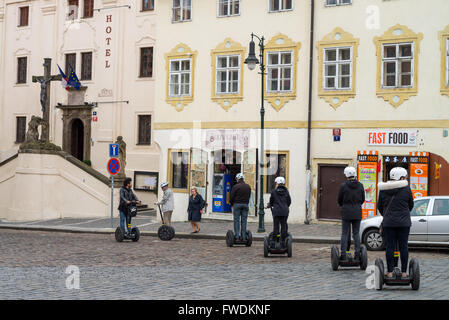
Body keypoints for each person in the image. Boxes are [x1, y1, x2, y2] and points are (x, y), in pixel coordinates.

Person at [378, 167, 414, 279]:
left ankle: (389, 271)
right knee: (403, 246)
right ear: (401, 177)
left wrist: (388, 216)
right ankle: (404, 272)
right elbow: (410, 205)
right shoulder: (407, 189)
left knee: (390, 246)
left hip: (389, 223)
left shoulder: (383, 189)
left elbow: (380, 206)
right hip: (404, 223)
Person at [337, 166, 365, 261]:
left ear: (346, 175)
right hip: (357, 211)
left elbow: (339, 200)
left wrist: (345, 205)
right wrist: (356, 205)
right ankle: (357, 254)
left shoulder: (343, 186)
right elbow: (362, 199)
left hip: (346, 211)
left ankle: (343, 254)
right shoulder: (360, 185)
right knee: (356, 233)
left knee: (345, 233)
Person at [266, 177, 291, 246]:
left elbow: (271, 201)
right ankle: (283, 241)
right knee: (284, 225)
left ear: (277, 183)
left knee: (276, 226)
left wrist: (269, 206)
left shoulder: (274, 192)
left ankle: (274, 242)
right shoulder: (286, 191)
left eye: (276, 183)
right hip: (285, 211)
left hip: (276, 211)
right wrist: (285, 207)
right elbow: (289, 201)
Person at [230, 173, 251, 241]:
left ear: (237, 179)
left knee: (236, 221)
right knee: (244, 221)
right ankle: (244, 237)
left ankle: (237, 236)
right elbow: (249, 196)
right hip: (245, 205)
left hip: (237, 204)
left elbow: (232, 197)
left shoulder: (235, 186)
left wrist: (231, 204)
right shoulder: (248, 186)